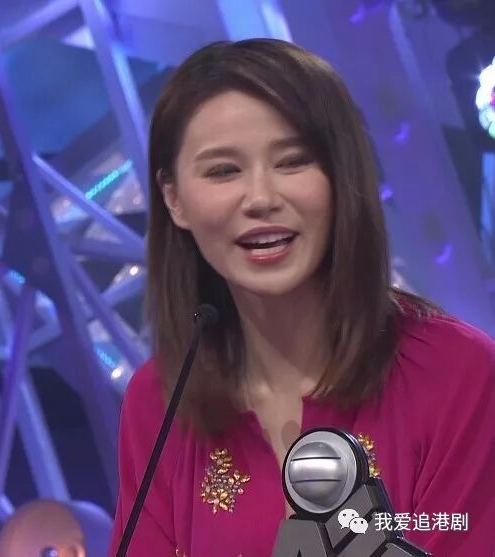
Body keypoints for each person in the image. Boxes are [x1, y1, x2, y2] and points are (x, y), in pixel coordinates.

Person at [107, 39, 495, 556]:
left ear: (340, 178)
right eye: (223, 170)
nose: (261, 198)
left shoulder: (456, 372)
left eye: (293, 161)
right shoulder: (159, 401)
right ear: (174, 199)